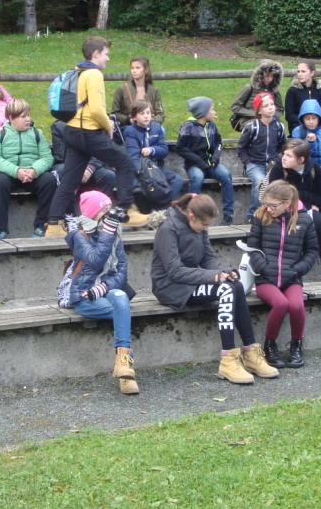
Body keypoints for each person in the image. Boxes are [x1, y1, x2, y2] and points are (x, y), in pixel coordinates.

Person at [150, 193, 278, 384]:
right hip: (171, 288)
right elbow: (174, 271)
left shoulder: (199, 226)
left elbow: (208, 259)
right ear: (192, 216)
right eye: (205, 225)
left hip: (191, 282)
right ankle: (228, 359)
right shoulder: (168, 229)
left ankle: (251, 352)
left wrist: (224, 271)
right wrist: (212, 276)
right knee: (226, 290)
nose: (206, 229)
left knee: (236, 285)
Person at [46, 36, 136, 234]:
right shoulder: (94, 74)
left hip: (71, 131)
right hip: (87, 132)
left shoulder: (78, 72)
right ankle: (123, 211)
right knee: (125, 163)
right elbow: (96, 109)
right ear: (96, 54)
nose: (108, 58)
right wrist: (108, 124)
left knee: (69, 180)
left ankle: (53, 225)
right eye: (106, 54)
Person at [61, 191, 139, 394]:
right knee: (122, 311)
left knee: (121, 297)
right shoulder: (79, 236)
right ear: (92, 214)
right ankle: (125, 374)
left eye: (109, 209)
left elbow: (121, 272)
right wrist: (108, 231)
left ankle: (124, 366)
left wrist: (103, 288)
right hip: (83, 296)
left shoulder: (114, 234)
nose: (108, 214)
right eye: (103, 210)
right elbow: (96, 259)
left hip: (105, 290)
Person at [246, 181, 319, 369]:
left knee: (296, 306)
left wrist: (297, 269)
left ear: (287, 203)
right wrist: (263, 267)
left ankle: (296, 345)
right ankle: (270, 345)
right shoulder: (261, 217)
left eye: (273, 205)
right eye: (266, 204)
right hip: (265, 278)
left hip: (292, 277)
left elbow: (312, 251)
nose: (269, 209)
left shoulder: (305, 220)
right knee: (280, 304)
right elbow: (253, 247)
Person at [268, 138, 321, 281]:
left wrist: (297, 196)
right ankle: (289, 271)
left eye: (289, 156)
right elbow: (275, 196)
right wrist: (305, 199)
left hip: (306, 210)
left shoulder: (314, 169)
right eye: (284, 154)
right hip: (283, 211)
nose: (283, 158)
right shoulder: (278, 170)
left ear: (301, 160)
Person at [0, 99, 56, 239]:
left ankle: (41, 226)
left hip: (32, 174)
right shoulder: (0, 135)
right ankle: (0, 228)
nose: (28, 119)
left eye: (28, 115)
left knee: (49, 180)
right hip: (9, 174)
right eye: (23, 116)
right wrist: (16, 171)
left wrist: (34, 170)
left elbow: (47, 158)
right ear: (11, 118)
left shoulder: (37, 134)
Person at [177, 97, 236, 225]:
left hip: (211, 163)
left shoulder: (211, 125)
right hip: (195, 164)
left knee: (226, 175)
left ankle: (228, 214)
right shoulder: (188, 127)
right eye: (212, 109)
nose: (215, 112)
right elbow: (180, 148)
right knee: (197, 178)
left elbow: (218, 143)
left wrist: (216, 157)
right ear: (203, 112)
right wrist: (199, 162)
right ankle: (192, 212)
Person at [121, 101, 183, 213]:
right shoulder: (131, 131)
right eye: (141, 114)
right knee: (138, 188)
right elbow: (133, 156)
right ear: (134, 117)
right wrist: (141, 173)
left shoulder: (157, 127)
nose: (146, 116)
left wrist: (152, 150)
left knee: (177, 180)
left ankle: (165, 209)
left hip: (156, 168)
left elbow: (164, 150)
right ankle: (147, 212)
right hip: (140, 170)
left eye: (148, 113)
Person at [236, 92, 285, 220]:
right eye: (265, 106)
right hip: (254, 164)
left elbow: (282, 146)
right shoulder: (252, 127)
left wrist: (276, 159)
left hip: (272, 163)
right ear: (259, 111)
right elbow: (241, 148)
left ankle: (275, 214)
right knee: (260, 181)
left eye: (272, 104)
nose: (270, 108)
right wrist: (247, 162)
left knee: (279, 184)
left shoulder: (279, 127)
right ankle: (254, 214)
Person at [230, 59, 283, 132]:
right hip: (249, 120)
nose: (270, 79)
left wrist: (271, 115)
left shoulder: (274, 90)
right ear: (260, 75)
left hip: (269, 119)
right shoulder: (249, 88)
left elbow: (280, 109)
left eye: (272, 76)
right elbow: (235, 107)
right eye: (267, 76)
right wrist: (256, 114)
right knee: (258, 128)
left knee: (276, 128)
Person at [112, 56, 165, 126]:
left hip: (150, 127)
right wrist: (128, 120)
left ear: (146, 70)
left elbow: (160, 115)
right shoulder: (121, 89)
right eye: (132, 68)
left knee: (160, 130)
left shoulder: (154, 90)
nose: (134, 71)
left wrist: (146, 120)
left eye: (138, 68)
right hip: (129, 127)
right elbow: (114, 114)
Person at [291, 99, 321, 168]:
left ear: (319, 118)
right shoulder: (297, 131)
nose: (311, 122)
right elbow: (299, 154)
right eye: (307, 119)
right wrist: (310, 143)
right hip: (309, 168)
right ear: (302, 119)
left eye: (314, 118)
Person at [284, 59, 321, 134]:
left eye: (303, 71)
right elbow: (289, 115)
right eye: (298, 71)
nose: (300, 74)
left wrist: (314, 122)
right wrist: (305, 121)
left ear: (312, 73)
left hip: (317, 125)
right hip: (298, 126)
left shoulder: (320, 89)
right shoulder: (292, 91)